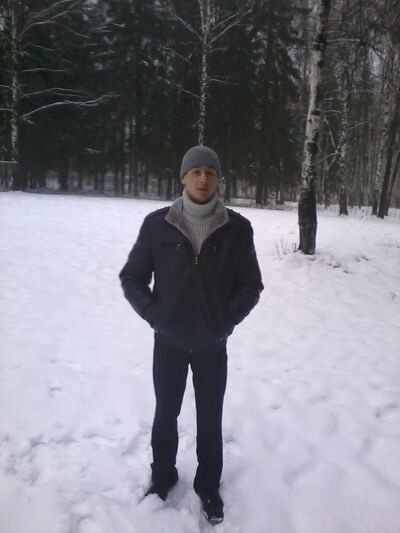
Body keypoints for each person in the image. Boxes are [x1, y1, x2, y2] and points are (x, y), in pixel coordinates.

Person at [119, 145, 263, 524]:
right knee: (165, 412)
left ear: (218, 179)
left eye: (210, 172)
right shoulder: (157, 225)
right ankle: (163, 476)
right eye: (196, 171)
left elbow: (251, 286)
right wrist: (155, 315)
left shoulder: (237, 229)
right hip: (168, 343)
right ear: (183, 177)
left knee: (210, 417)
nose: (203, 178)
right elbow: (132, 277)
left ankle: (208, 485)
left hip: (212, 345)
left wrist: (224, 322)